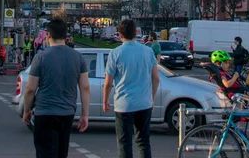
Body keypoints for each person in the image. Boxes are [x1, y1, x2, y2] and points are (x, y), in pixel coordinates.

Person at [23, 19, 90, 157]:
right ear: (65, 35)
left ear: (48, 35)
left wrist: (27, 110)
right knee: (61, 152)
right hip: (67, 113)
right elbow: (85, 87)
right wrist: (85, 114)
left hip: (44, 113)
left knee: (45, 152)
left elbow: (30, 88)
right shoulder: (78, 57)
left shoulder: (40, 57)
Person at [103, 19, 160, 158]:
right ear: (136, 33)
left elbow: (108, 82)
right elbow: (156, 78)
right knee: (144, 142)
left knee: (124, 144)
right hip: (144, 103)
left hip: (124, 105)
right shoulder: (148, 51)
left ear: (120, 34)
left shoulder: (115, 53)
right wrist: (152, 98)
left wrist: (105, 100)